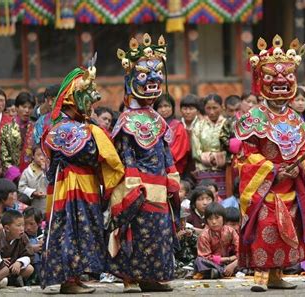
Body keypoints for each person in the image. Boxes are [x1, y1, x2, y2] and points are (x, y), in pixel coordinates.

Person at [235, 35, 305, 292]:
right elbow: (247, 153)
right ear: (260, 80)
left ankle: (276, 275)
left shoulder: (296, 118)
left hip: (291, 184)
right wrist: (272, 170)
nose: (281, 83)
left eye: (287, 78)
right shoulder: (254, 117)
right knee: (265, 228)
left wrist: (299, 167)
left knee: (287, 231)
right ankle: (260, 275)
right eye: (272, 78)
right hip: (266, 186)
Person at [41, 61, 124, 293]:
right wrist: (95, 133)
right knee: (71, 228)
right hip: (71, 186)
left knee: (83, 228)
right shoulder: (66, 127)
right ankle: (68, 280)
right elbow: (88, 154)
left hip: (82, 184)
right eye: (88, 99)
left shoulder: (78, 125)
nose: (91, 105)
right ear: (74, 100)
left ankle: (75, 277)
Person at [107, 34, 180, 293]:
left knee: (159, 234)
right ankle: (129, 278)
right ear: (130, 80)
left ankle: (152, 278)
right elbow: (125, 152)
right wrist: (132, 179)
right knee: (135, 232)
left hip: (159, 185)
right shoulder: (126, 119)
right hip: (137, 186)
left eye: (157, 74)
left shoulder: (157, 118)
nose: (153, 81)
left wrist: (173, 173)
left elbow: (164, 149)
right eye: (144, 76)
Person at [194, 202, 239, 279]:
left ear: (223, 218)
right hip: (214, 263)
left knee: (246, 259)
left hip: (232, 262)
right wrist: (227, 259)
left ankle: (219, 273)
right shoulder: (204, 235)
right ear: (206, 221)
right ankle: (223, 272)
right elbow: (205, 257)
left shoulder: (231, 231)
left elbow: (240, 250)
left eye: (217, 218)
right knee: (199, 261)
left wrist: (233, 264)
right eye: (210, 219)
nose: (214, 222)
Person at [0, 209, 34, 287]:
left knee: (29, 269)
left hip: (13, 268)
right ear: (7, 228)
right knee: (5, 270)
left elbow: (29, 255)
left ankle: (12, 281)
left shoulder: (23, 237)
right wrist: (1, 261)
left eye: (23, 225)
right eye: (18, 225)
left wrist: (19, 262)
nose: (22, 228)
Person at [154, 94, 190, 175]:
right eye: (160, 107)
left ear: (172, 108)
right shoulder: (153, 127)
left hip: (173, 170)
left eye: (166, 106)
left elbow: (178, 152)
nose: (163, 109)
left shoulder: (178, 127)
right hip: (154, 169)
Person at [0, 87, 21, 180]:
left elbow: (15, 150)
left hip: (5, 170)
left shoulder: (10, 122)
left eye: (1, 100)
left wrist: (3, 169)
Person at [18, 146, 47, 214]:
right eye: (38, 155)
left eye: (44, 155)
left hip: (48, 203)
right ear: (33, 156)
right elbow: (21, 187)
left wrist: (45, 170)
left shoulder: (50, 170)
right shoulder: (27, 172)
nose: (42, 158)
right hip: (35, 204)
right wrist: (33, 192)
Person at [14, 92, 36, 172]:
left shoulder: (35, 127)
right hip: (10, 173)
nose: (27, 110)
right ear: (16, 108)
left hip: (29, 172)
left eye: (30, 108)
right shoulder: (7, 126)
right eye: (24, 107)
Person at [23, 206, 43, 285]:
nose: (27, 227)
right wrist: (31, 248)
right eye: (25, 224)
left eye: (31, 224)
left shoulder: (43, 234)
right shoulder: (21, 235)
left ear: (39, 223)